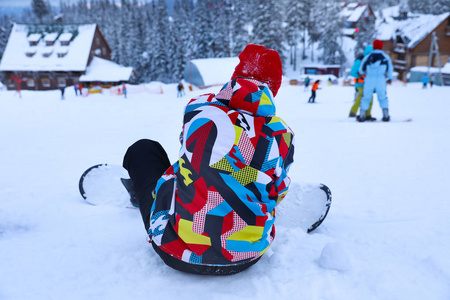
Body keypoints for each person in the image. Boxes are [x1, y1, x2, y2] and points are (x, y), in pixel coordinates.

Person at [122, 44, 294, 275]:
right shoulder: (282, 134)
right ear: (273, 90)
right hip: (247, 258)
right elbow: (278, 192)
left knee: (144, 149)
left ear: (234, 79)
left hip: (174, 251)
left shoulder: (198, 107)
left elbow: (189, 151)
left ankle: (143, 195)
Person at [358, 39, 393, 122]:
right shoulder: (385, 57)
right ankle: (385, 115)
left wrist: (362, 74)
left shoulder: (368, 57)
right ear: (381, 47)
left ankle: (362, 115)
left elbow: (361, 70)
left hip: (369, 79)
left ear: (373, 46)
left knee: (366, 97)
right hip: (381, 79)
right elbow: (390, 69)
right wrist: (390, 78)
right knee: (382, 97)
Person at [349, 45, 375, 121]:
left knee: (370, 98)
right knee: (361, 97)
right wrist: (361, 76)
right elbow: (353, 73)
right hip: (360, 84)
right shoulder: (359, 61)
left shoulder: (370, 61)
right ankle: (353, 113)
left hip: (368, 84)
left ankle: (367, 115)